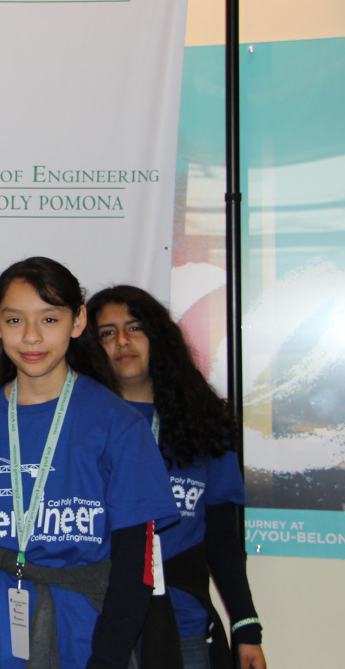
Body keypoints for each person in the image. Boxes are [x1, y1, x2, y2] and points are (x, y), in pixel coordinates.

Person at [0, 257, 180, 669]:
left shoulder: (117, 426)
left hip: (88, 630)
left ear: (78, 320)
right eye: (15, 321)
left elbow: (134, 567)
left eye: (49, 319)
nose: (31, 337)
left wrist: (107, 659)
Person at [87, 285, 266, 669]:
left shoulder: (205, 422)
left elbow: (221, 535)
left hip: (181, 618)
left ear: (158, 337)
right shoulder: (80, 421)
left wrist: (246, 626)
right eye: (106, 332)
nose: (121, 341)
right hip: (94, 612)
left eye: (134, 328)